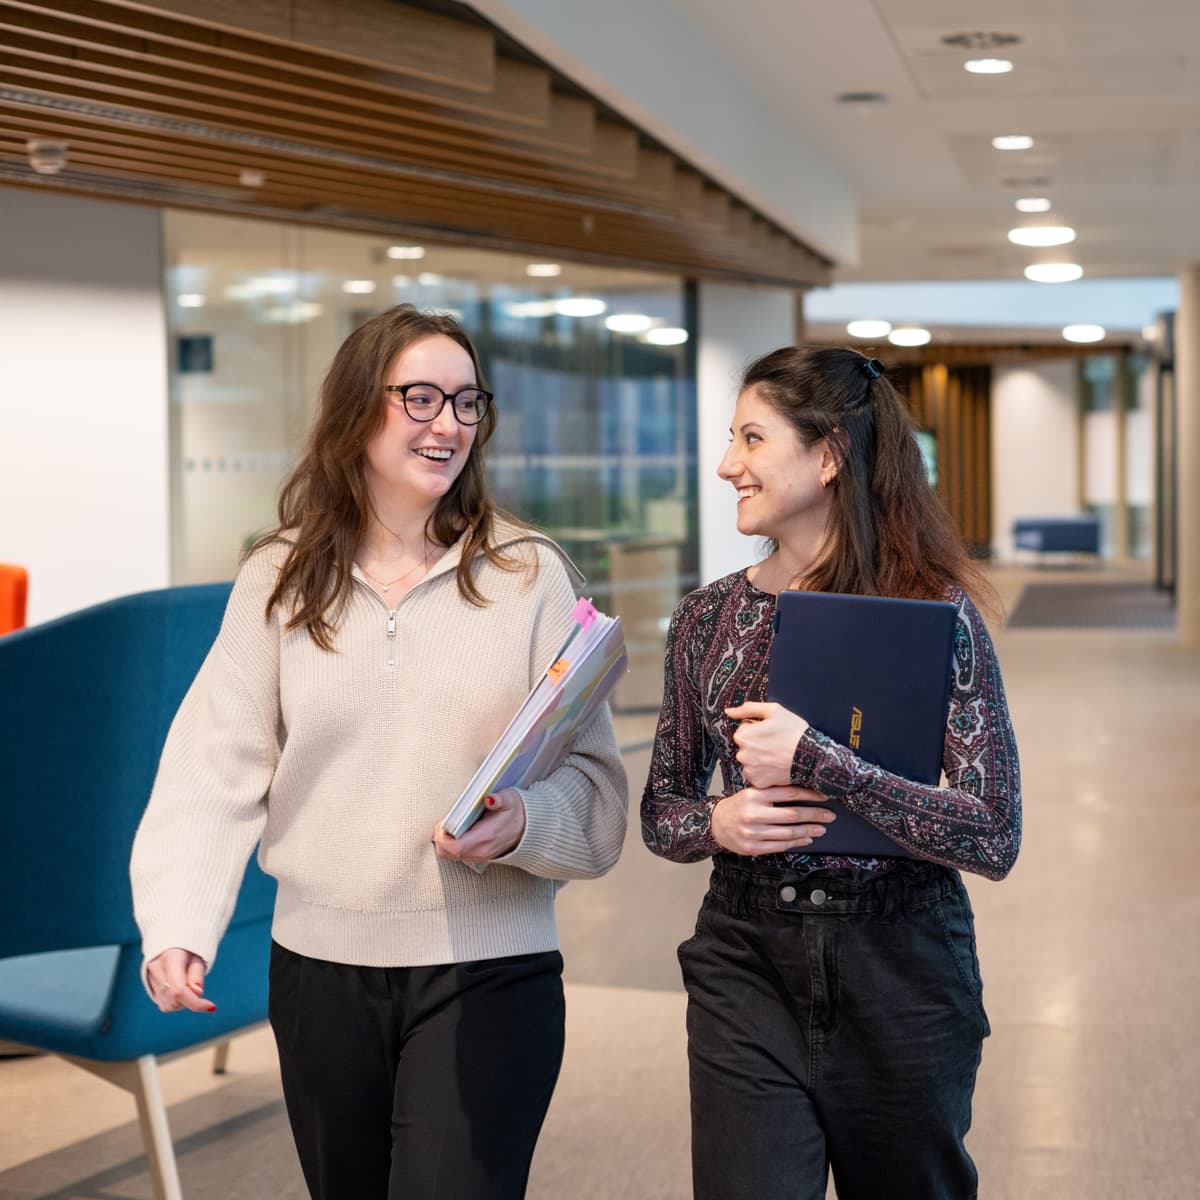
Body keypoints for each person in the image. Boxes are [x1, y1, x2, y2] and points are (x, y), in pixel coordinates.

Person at [131, 304, 628, 1200]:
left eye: (469, 402)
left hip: (491, 968)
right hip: (320, 973)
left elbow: (594, 788)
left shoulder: (528, 573)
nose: (449, 425)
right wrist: (177, 924)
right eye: (422, 398)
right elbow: (214, 764)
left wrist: (522, 821)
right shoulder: (279, 578)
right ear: (360, 410)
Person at [642, 346, 1021, 1200]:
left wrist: (818, 760)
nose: (726, 464)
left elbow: (993, 832)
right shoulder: (707, 618)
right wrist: (718, 824)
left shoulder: (933, 614)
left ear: (827, 455)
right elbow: (662, 806)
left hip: (904, 967)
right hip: (746, 957)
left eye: (750, 437)